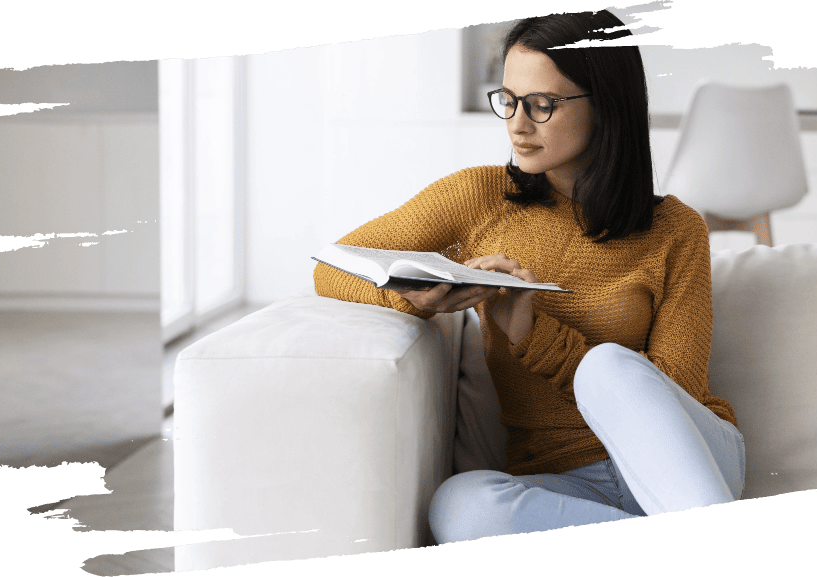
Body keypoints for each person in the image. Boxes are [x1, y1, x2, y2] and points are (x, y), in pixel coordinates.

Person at [313, 10, 744, 544]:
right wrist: (421, 300)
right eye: (509, 100)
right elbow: (334, 265)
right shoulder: (479, 197)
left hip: (690, 464)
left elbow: (674, 391)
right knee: (460, 505)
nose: (518, 124)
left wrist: (532, 334)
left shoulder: (675, 229)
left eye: (543, 105)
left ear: (606, 103)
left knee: (606, 367)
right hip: (566, 487)